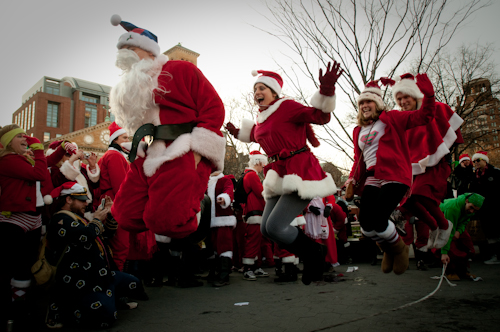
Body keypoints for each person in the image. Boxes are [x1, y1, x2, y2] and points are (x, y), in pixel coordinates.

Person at [108, 15, 225, 241]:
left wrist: (198, 153)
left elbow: (214, 107)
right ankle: (177, 207)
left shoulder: (181, 69)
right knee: (125, 215)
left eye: (131, 47)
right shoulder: (135, 87)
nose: (125, 53)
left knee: (166, 222)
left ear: (150, 52)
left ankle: (196, 205)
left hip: (181, 150)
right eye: (123, 49)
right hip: (149, 151)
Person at [226, 62, 343, 285]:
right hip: (277, 174)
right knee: (266, 229)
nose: (257, 93)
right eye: (255, 90)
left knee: (275, 227)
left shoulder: (287, 106)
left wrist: (326, 90)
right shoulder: (262, 118)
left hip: (298, 171)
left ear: (274, 91)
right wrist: (237, 132)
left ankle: (313, 255)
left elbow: (320, 117)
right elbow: (256, 134)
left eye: (262, 88)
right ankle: (312, 253)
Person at [346, 75, 436, 275]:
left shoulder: (392, 118)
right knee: (366, 226)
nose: (365, 105)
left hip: (394, 175)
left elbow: (424, 116)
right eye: (362, 102)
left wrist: (428, 95)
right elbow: (358, 159)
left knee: (379, 218)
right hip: (372, 176)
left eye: (369, 101)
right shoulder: (358, 130)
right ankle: (389, 248)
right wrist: (351, 179)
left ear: (377, 104)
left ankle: (399, 248)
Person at [382, 73, 463, 268]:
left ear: (414, 96)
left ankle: (443, 225)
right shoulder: (403, 119)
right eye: (399, 99)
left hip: (437, 162)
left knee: (421, 193)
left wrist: (446, 153)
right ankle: (435, 225)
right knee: (408, 198)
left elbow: (451, 129)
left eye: (406, 97)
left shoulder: (433, 108)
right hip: (415, 166)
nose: (402, 102)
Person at [45, 182, 147, 328]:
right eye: (81, 200)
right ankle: (68, 313)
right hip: (80, 279)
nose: (86, 203)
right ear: (68, 200)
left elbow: (105, 235)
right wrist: (97, 219)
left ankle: (110, 299)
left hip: (99, 274)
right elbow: (86, 235)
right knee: (106, 316)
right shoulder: (60, 219)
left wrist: (109, 215)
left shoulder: (78, 217)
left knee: (133, 283)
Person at [0, 125, 49, 330]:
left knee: (26, 266)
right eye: (19, 136)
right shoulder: (8, 160)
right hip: (15, 220)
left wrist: (62, 151)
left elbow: (46, 168)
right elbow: (39, 173)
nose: (25, 138)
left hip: (33, 219)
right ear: (8, 142)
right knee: (12, 267)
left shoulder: (22, 159)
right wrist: (38, 150)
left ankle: (20, 309)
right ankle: (12, 312)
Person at [97, 122, 131, 271]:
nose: (127, 140)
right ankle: (117, 281)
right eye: (124, 137)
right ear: (115, 139)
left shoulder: (113, 155)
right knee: (120, 245)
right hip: (116, 204)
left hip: (112, 202)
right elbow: (121, 186)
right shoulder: (114, 156)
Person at [438, 193, 484, 280]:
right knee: (452, 248)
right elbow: (446, 232)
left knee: (467, 245)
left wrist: (459, 231)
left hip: (455, 225)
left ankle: (462, 270)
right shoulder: (453, 208)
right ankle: (450, 271)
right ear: (466, 201)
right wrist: (444, 253)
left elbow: (465, 221)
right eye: (471, 207)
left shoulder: (470, 210)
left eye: (475, 210)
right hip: (443, 224)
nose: (472, 211)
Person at [240, 151, 270, 280]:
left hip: (255, 211)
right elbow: (261, 192)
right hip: (255, 211)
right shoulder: (252, 176)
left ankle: (255, 266)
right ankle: (248, 268)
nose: (263, 167)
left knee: (257, 241)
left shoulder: (249, 175)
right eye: (262, 165)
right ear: (258, 162)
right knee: (253, 241)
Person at [469, 151, 500, 264]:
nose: (476, 163)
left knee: (496, 230)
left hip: (495, 207)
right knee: (489, 232)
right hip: (483, 209)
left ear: (484, 160)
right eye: (474, 161)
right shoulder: (475, 175)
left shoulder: (495, 172)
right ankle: (494, 254)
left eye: (478, 160)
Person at [207, 171, 236, 287]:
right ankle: (213, 272)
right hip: (209, 220)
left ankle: (224, 274)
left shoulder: (225, 179)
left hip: (223, 219)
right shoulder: (205, 181)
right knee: (212, 246)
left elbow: (228, 191)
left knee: (224, 245)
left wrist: (224, 198)